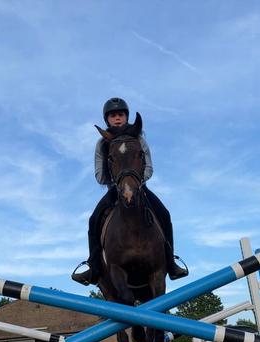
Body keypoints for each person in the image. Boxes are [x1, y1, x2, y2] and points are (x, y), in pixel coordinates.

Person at [72, 97, 188, 285]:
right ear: (107, 119)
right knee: (93, 219)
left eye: (120, 114)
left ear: (126, 116)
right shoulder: (102, 143)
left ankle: (170, 262)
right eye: (113, 115)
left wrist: (136, 182)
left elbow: (148, 167)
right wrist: (118, 182)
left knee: (164, 214)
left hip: (139, 186)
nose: (117, 118)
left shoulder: (139, 139)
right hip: (115, 188)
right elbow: (100, 175)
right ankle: (93, 266)